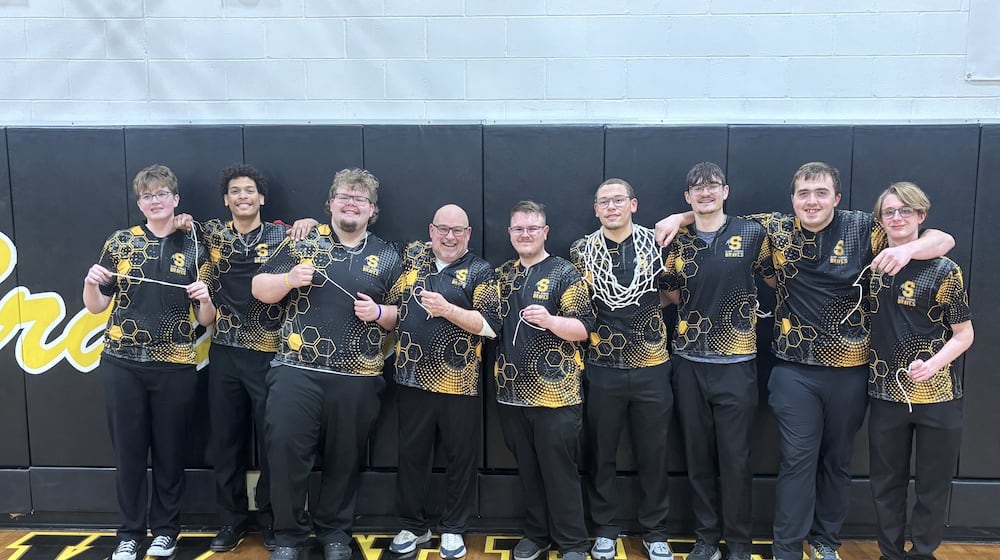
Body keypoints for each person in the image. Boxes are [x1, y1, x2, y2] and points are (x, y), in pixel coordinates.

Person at [655, 162, 955, 560]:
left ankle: (825, 541)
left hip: (851, 370)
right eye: (803, 193)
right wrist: (681, 215)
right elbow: (715, 214)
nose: (811, 201)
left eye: (820, 192)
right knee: (797, 460)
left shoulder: (867, 226)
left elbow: (942, 238)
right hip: (793, 368)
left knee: (836, 460)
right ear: (793, 199)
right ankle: (786, 549)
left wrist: (908, 248)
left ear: (837, 198)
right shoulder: (773, 228)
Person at [251, 168, 402, 560]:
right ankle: (287, 535)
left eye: (360, 199)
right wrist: (287, 280)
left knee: (345, 457)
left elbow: (403, 315)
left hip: (358, 377)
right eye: (344, 197)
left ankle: (335, 531)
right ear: (330, 204)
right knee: (284, 452)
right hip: (296, 371)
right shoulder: (303, 242)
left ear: (372, 210)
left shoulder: (388, 254)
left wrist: (380, 312)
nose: (351, 203)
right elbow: (258, 288)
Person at [83, 164, 215, 560]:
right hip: (121, 362)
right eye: (147, 196)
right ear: (139, 203)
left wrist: (205, 298)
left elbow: (207, 319)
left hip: (174, 364)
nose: (154, 202)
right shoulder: (121, 242)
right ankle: (129, 533)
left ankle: (165, 531)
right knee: (128, 451)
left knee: (170, 452)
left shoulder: (194, 244)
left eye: (162, 194)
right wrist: (90, 283)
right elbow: (96, 307)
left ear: (175, 199)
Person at [195, 164, 314, 552]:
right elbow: (181, 223)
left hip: (272, 356)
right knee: (226, 441)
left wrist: (310, 221)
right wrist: (180, 218)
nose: (242, 196)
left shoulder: (285, 235)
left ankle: (270, 518)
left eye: (249, 190)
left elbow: (322, 230)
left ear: (262, 198)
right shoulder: (212, 234)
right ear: (226, 200)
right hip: (225, 352)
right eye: (235, 191)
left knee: (272, 444)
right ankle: (230, 521)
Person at [661, 163, 775, 560]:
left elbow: (776, 280)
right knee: (697, 458)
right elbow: (672, 295)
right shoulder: (677, 240)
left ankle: (739, 544)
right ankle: (706, 540)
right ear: (687, 197)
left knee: (735, 460)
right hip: (689, 362)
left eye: (712, 186)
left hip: (737, 362)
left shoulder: (753, 233)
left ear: (726, 191)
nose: (705, 193)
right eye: (696, 188)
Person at [385, 204, 501, 559]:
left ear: (468, 235)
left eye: (458, 231)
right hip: (411, 379)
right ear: (431, 230)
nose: (449, 237)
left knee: (460, 457)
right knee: (412, 456)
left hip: (460, 384)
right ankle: (413, 525)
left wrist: (447, 309)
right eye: (443, 229)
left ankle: (454, 527)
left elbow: (490, 326)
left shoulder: (481, 271)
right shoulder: (411, 258)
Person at [867, 182, 973, 560]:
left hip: (938, 397)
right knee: (886, 486)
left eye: (905, 211)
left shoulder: (944, 270)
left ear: (920, 217)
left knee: (932, 486)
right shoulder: (873, 262)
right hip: (886, 395)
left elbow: (964, 335)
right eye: (889, 212)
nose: (897, 218)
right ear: (880, 220)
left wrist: (931, 365)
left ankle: (923, 553)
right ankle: (889, 554)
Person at [569, 179, 674, 560]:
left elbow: (675, 292)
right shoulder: (582, 250)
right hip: (602, 366)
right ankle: (605, 529)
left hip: (652, 365)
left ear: (633, 204)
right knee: (602, 452)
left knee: (654, 452)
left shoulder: (658, 243)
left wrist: (642, 306)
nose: (611, 207)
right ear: (595, 209)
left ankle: (655, 530)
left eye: (618, 200)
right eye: (604, 202)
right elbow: (581, 303)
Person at [495, 201, 595, 560]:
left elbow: (584, 328)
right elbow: (486, 322)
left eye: (532, 228)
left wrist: (551, 321)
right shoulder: (501, 275)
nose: (525, 235)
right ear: (510, 234)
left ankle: (573, 544)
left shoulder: (565, 273)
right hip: (511, 397)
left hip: (558, 398)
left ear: (545, 232)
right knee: (529, 471)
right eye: (518, 229)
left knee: (560, 474)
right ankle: (537, 535)